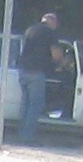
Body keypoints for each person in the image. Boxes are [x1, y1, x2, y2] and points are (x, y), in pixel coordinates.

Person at [15, 9, 60, 145]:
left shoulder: (30, 30)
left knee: (25, 104)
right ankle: (27, 137)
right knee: (36, 105)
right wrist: (60, 65)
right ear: (52, 22)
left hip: (22, 71)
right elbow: (56, 55)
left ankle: (21, 134)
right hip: (36, 72)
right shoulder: (49, 32)